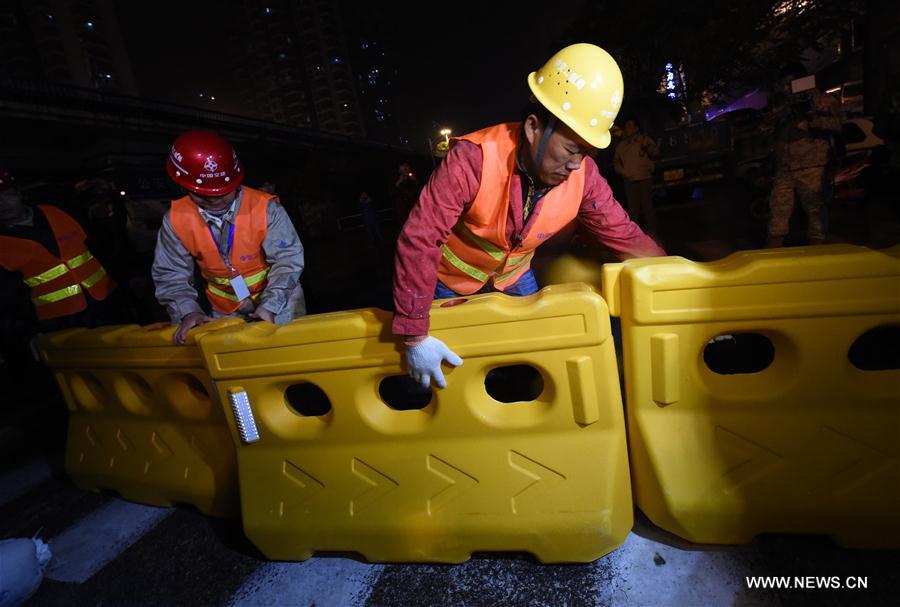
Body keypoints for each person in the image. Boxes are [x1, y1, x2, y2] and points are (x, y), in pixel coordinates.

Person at [392, 43, 666, 389]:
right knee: (455, 378)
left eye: (586, 152)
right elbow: (419, 238)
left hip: (515, 277)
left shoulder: (584, 175)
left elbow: (627, 237)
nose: (575, 164)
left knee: (537, 359)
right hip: (450, 282)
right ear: (534, 127)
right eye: (570, 149)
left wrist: (678, 295)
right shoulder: (471, 160)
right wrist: (414, 335)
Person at [152, 130, 306, 345]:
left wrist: (271, 305)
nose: (215, 200)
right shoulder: (175, 220)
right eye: (204, 195)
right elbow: (170, 273)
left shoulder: (266, 208)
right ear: (183, 186)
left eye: (223, 192)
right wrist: (187, 313)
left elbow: (287, 259)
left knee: (291, 357)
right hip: (224, 309)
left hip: (281, 301)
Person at [0, 168, 122, 333]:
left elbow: (102, 247)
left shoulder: (59, 211)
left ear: (19, 193)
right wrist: (28, 334)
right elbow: (8, 300)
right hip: (60, 324)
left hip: (108, 302)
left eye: (7, 195)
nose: (2, 204)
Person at [765, 64, 842, 247]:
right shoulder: (783, 106)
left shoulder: (823, 100)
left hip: (812, 167)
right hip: (785, 168)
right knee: (778, 211)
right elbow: (770, 130)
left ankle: (818, 249)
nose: (787, 88)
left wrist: (812, 121)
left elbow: (837, 125)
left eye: (790, 83)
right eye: (784, 84)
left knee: (815, 211)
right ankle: (773, 249)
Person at [613, 118, 659, 233]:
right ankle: (636, 235)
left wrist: (647, 148)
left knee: (648, 208)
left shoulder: (644, 140)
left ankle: (653, 233)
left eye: (630, 126)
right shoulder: (622, 145)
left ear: (636, 128)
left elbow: (655, 154)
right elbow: (616, 162)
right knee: (634, 211)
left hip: (644, 179)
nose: (627, 129)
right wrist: (623, 172)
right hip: (630, 181)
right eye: (627, 126)